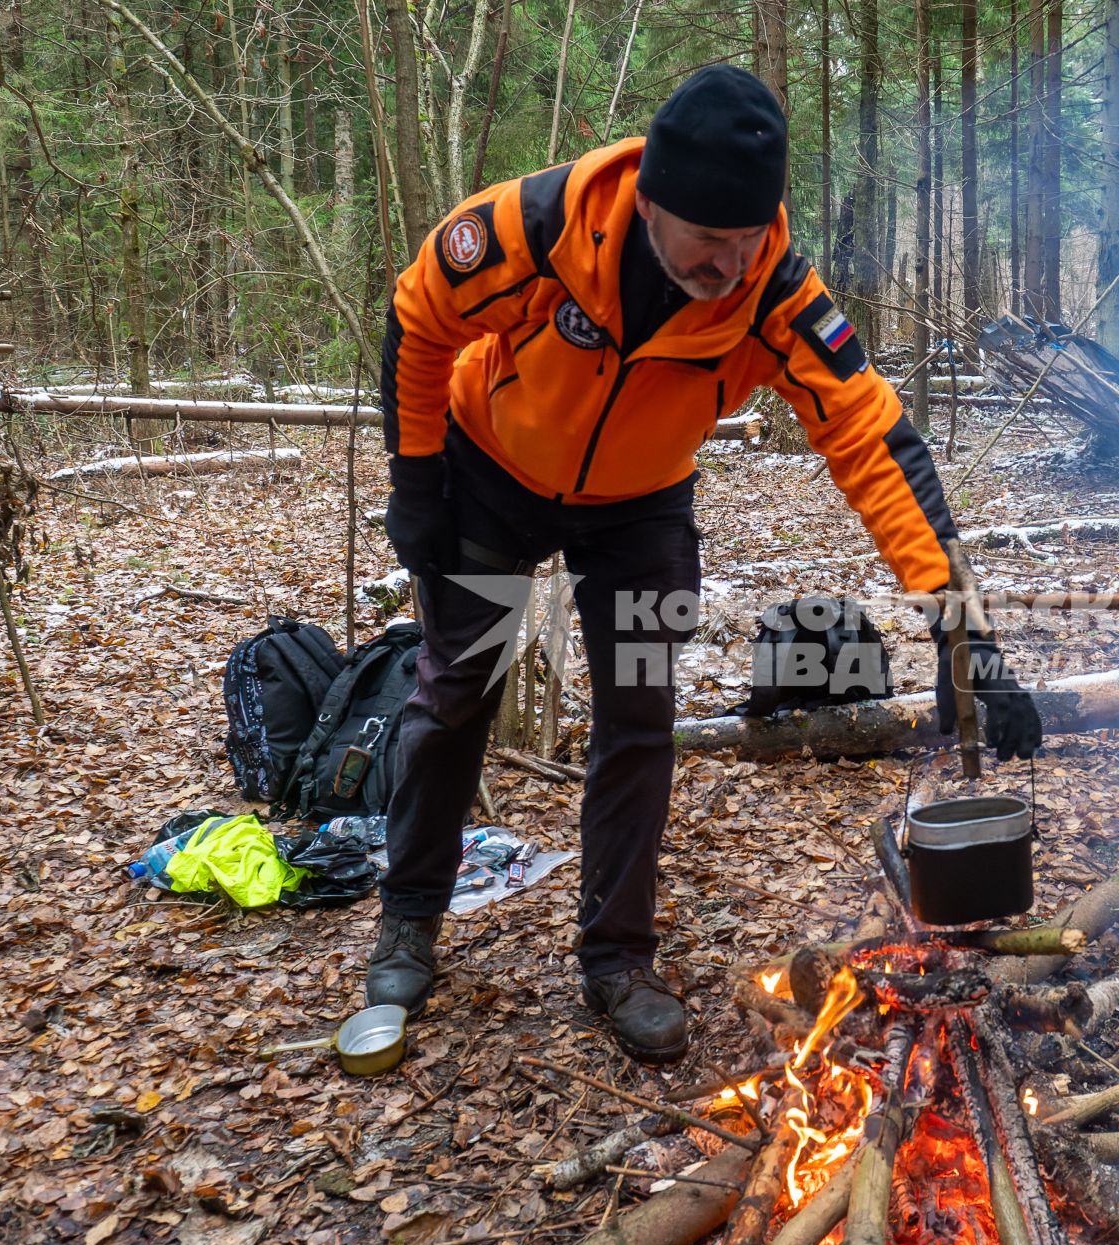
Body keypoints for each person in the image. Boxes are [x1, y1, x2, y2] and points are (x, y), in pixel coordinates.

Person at [371, 64, 1041, 1063]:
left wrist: (960, 629)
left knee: (638, 713)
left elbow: (870, 439)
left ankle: (616, 960)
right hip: (492, 474)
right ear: (648, 201)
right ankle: (409, 921)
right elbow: (421, 317)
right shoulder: (533, 228)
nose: (728, 263)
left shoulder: (775, 291)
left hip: (639, 507)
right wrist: (417, 477)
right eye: (708, 240)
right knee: (456, 688)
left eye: (747, 239)